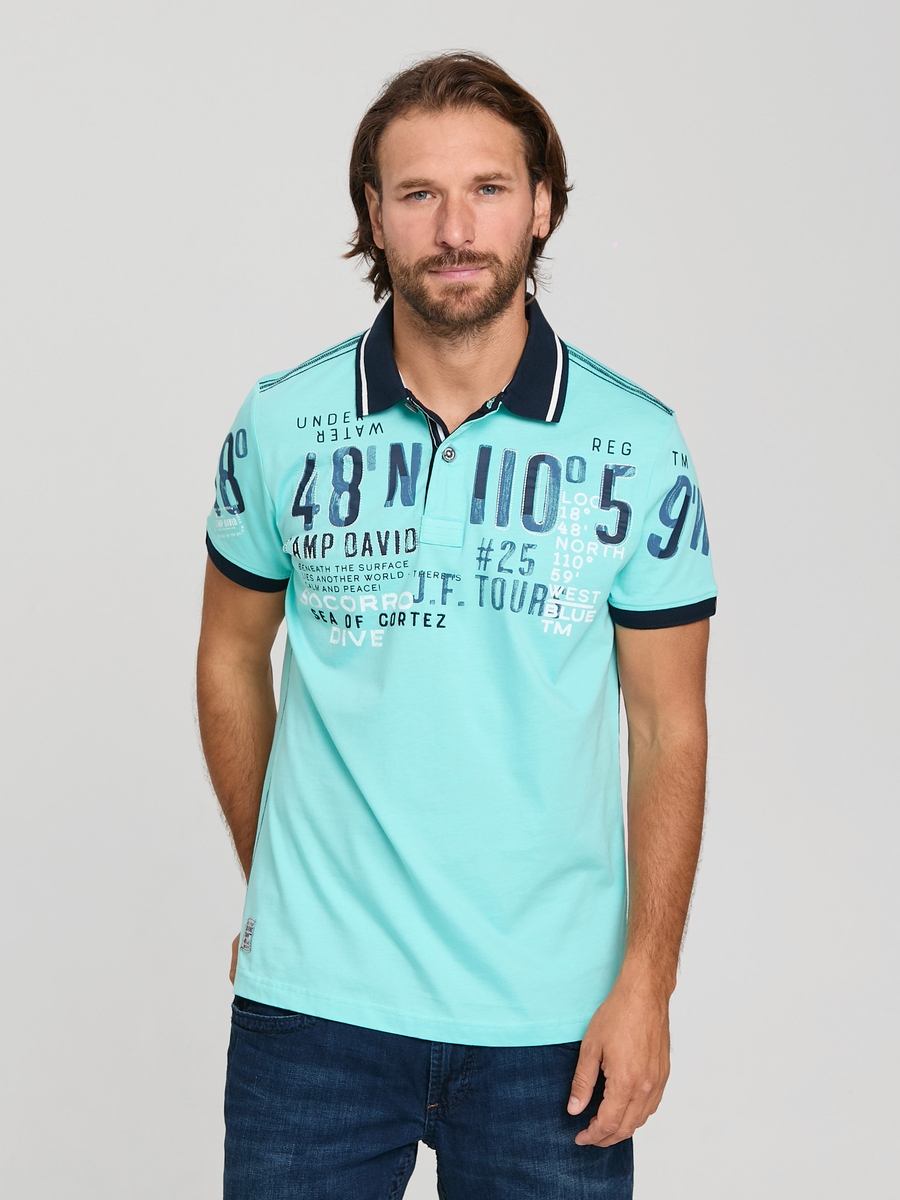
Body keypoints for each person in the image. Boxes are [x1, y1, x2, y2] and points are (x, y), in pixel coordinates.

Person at [197, 51, 716, 1200]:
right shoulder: (282, 424)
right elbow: (229, 655)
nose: (455, 229)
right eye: (419, 194)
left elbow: (668, 727)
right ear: (373, 215)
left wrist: (648, 984)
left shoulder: (636, 446)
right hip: (316, 1013)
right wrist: (278, 881)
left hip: (554, 1021)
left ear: (542, 205)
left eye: (488, 188)